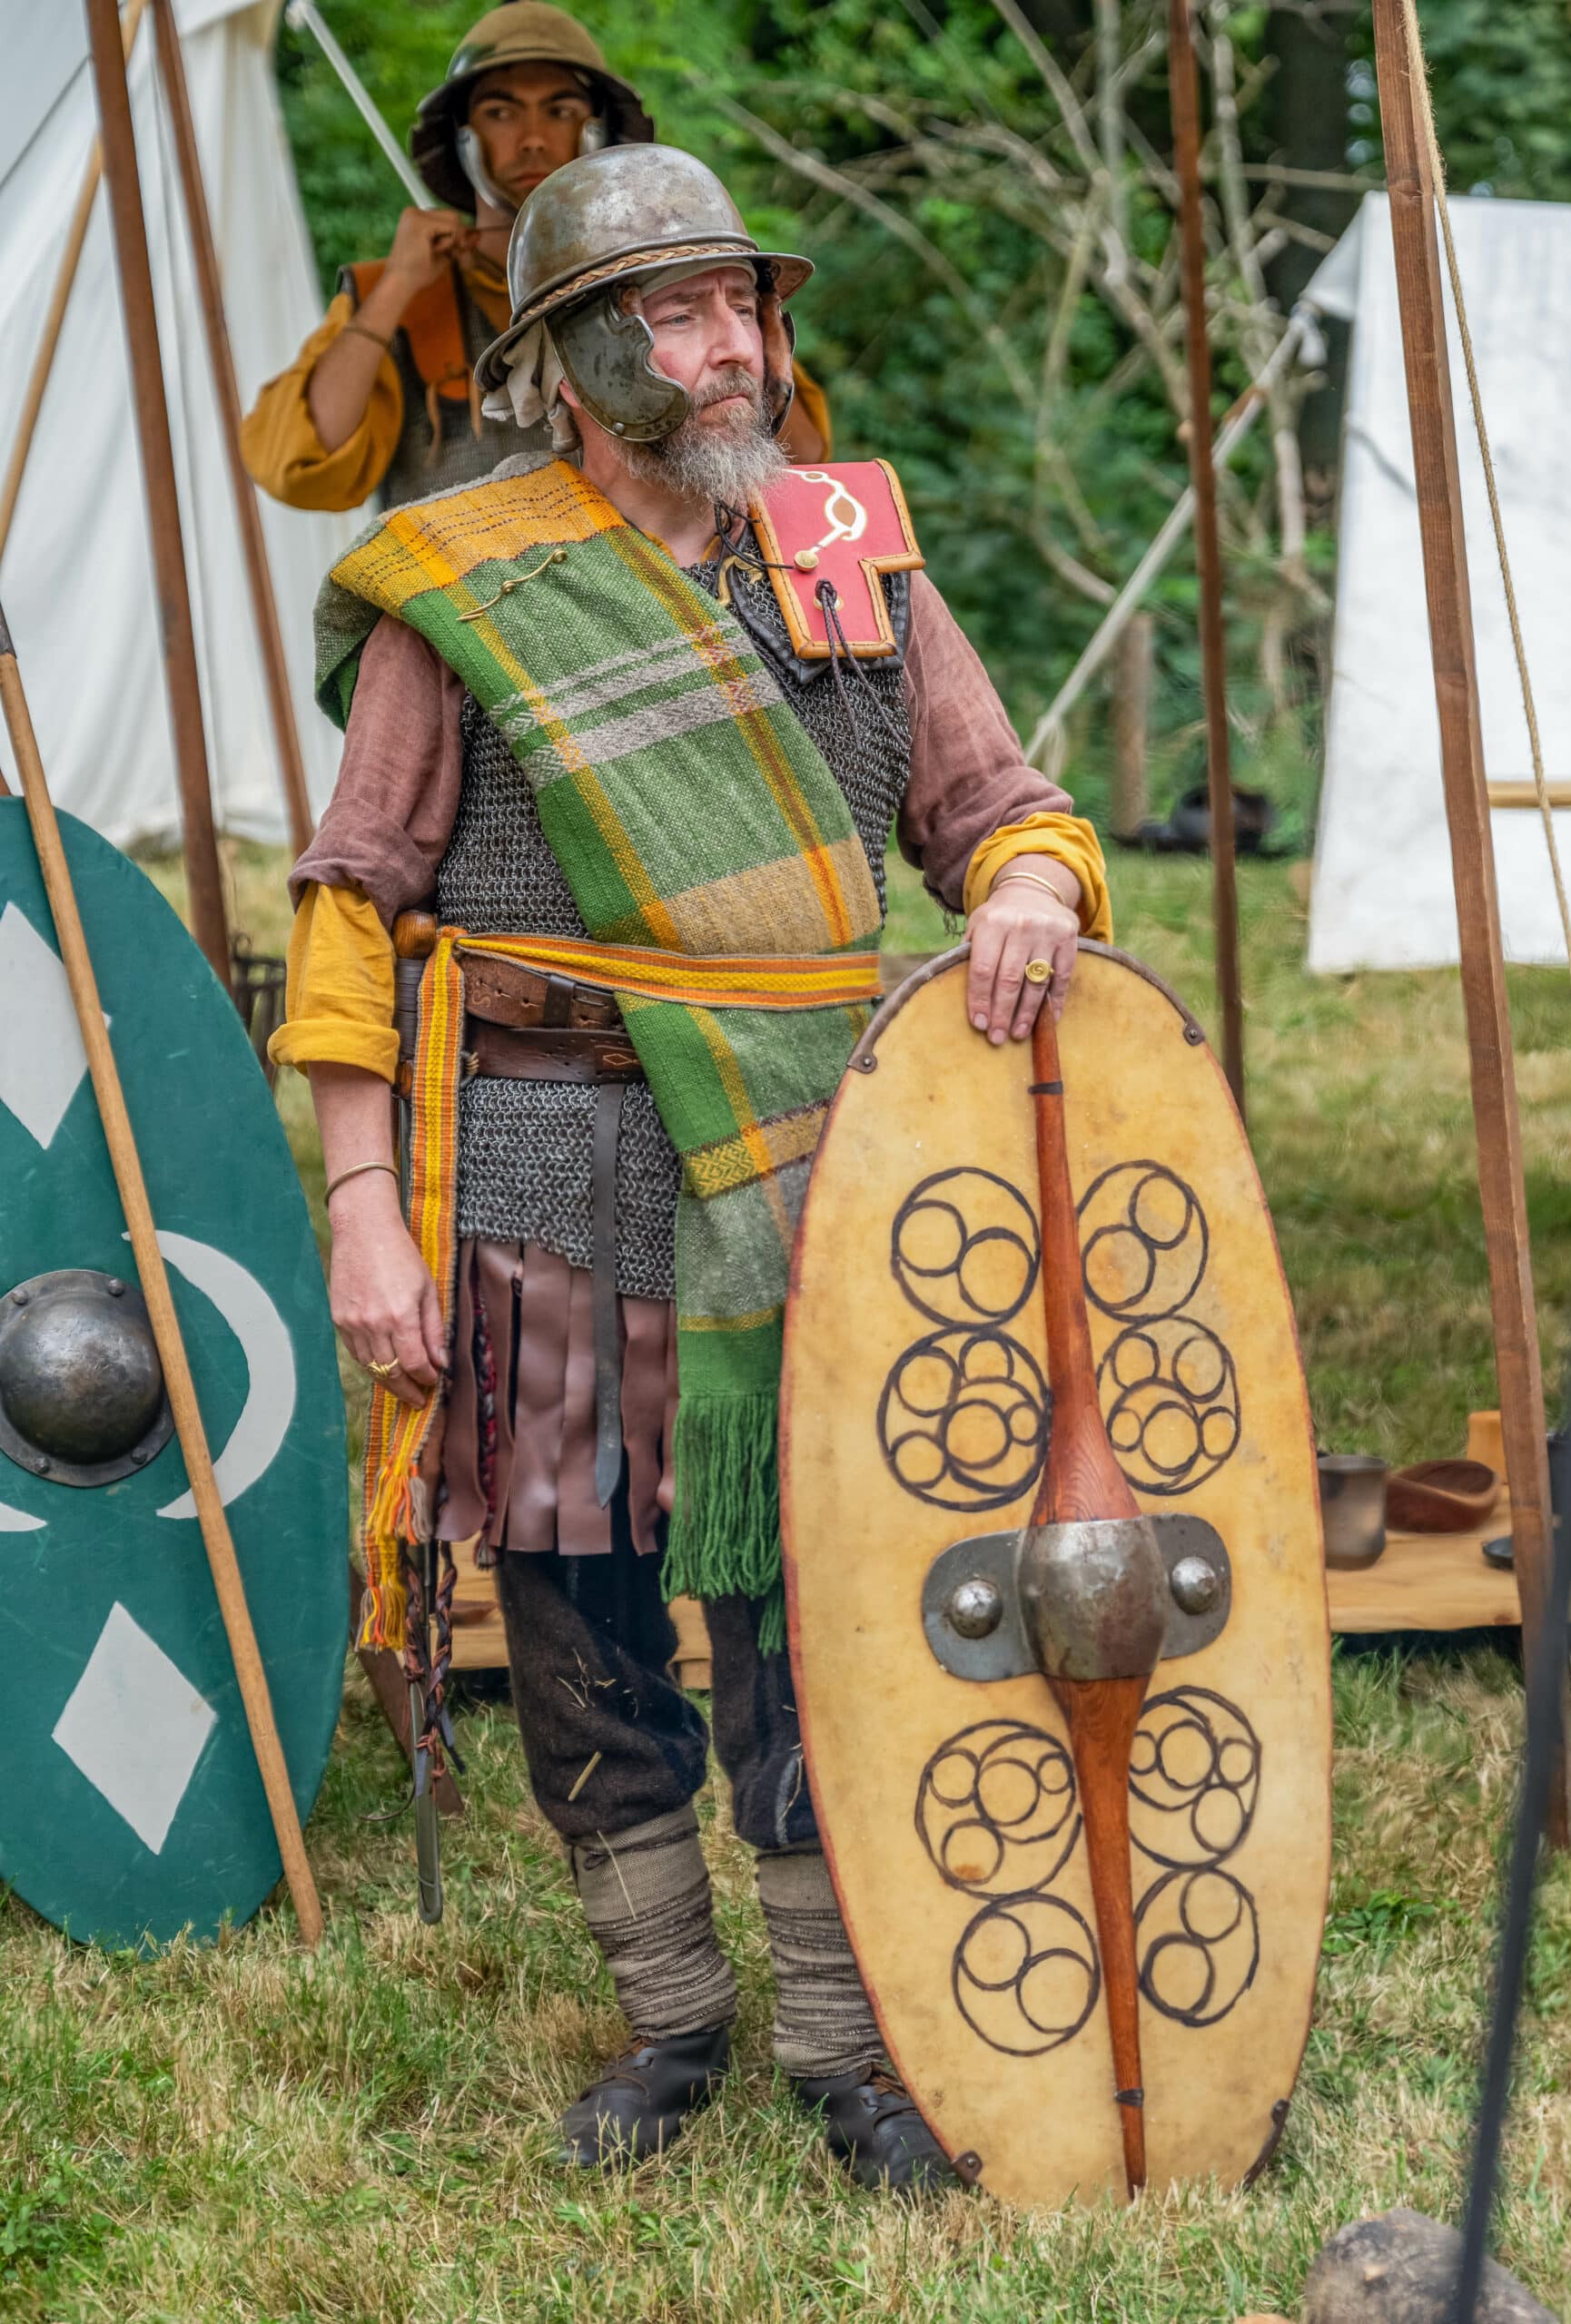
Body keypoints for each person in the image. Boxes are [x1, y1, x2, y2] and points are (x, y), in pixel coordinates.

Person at [271, 143, 1109, 2192]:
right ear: (572, 359)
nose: (731, 344)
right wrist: (363, 1209)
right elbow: (355, 905)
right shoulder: (461, 580)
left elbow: (998, 801)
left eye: (743, 303)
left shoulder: (844, 548)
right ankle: (668, 2018)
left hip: (811, 1154)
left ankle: (837, 2038)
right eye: (677, 312)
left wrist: (1023, 882)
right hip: (543, 1156)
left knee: (815, 1601)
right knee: (577, 1608)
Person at [241, 4, 829, 513]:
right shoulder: (397, 296)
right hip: (459, 601)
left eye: (560, 110)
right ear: (464, 139)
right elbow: (296, 467)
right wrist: (395, 289)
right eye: (500, 113)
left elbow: (799, 461)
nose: (531, 138)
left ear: (597, 132)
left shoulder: (672, 280)